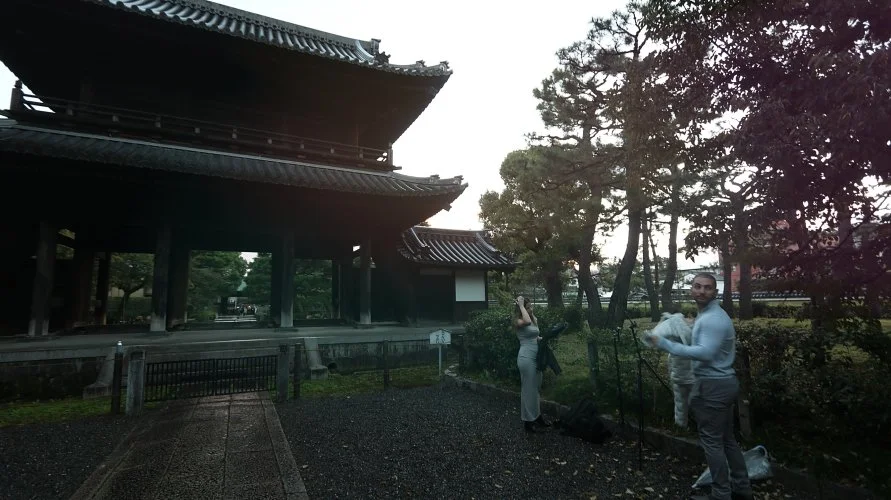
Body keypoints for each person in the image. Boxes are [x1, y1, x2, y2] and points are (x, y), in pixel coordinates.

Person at [646, 274, 753, 500]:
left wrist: (665, 343)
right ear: (691, 289)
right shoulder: (710, 316)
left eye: (707, 288)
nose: (701, 291)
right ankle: (741, 488)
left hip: (713, 386)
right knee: (726, 439)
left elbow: (705, 353)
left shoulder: (712, 318)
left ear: (715, 292)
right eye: (697, 286)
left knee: (712, 443)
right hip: (722, 383)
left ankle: (721, 494)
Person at [514, 296, 550, 433]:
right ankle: (528, 421)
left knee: (536, 388)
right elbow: (527, 322)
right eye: (527, 307)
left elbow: (534, 335)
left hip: (536, 356)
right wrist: (522, 306)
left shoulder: (533, 318)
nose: (530, 309)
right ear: (521, 309)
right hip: (526, 357)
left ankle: (537, 416)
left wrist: (541, 339)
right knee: (528, 389)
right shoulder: (518, 320)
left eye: (530, 307)